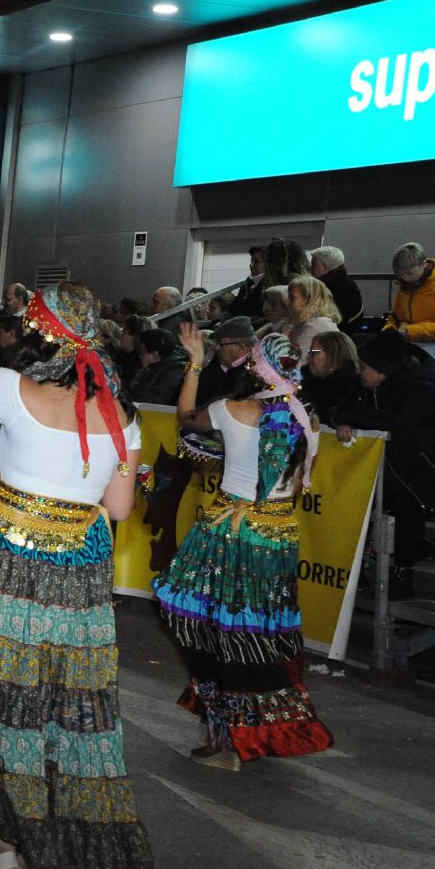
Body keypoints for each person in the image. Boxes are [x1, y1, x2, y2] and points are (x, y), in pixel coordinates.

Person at [0, 213, 152, 869]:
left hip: (5, 572)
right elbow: (118, 510)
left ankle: (5, 860)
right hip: (77, 581)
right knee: (55, 711)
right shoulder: (125, 417)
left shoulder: (17, 395)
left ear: (43, 335)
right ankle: (22, 850)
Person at [155, 329, 333, 770]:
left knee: (207, 627)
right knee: (258, 633)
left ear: (256, 366)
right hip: (277, 537)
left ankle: (230, 740)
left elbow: (184, 417)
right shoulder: (308, 419)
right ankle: (251, 731)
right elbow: (293, 487)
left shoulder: (230, 409)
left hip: (229, 533)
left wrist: (195, 362)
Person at [333, 330, 435, 598]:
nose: (359, 371)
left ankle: (402, 572)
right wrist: (342, 418)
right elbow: (339, 406)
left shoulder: (421, 388)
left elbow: (400, 422)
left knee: (407, 503)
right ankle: (364, 569)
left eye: (365, 367)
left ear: (385, 369)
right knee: (376, 498)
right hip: (414, 469)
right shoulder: (373, 384)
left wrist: (352, 415)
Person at [385, 242, 435, 359]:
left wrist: (411, 332)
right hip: (408, 343)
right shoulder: (404, 287)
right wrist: (389, 331)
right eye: (400, 274)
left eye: (410, 273)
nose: (406, 278)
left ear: (423, 264)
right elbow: (396, 318)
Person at [298, 330, 361, 426]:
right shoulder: (304, 383)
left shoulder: (354, 388)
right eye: (309, 352)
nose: (308, 357)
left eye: (314, 352)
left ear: (333, 355)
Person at [195, 316, 256, 407]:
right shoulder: (215, 364)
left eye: (220, 344)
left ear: (240, 348)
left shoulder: (254, 374)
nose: (216, 348)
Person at [126, 328, 189, 406]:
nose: (140, 356)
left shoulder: (174, 373)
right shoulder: (157, 368)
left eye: (142, 353)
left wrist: (125, 398)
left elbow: (154, 402)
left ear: (155, 354)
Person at [308, 246, 362, 333]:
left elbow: (335, 317)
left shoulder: (341, 288)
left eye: (313, 264)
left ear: (324, 268)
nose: (310, 268)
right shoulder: (342, 283)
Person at [285, 275, 341, 355]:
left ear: (309, 299)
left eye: (292, 297)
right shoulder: (304, 323)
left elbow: (294, 361)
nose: (287, 302)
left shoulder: (316, 325)